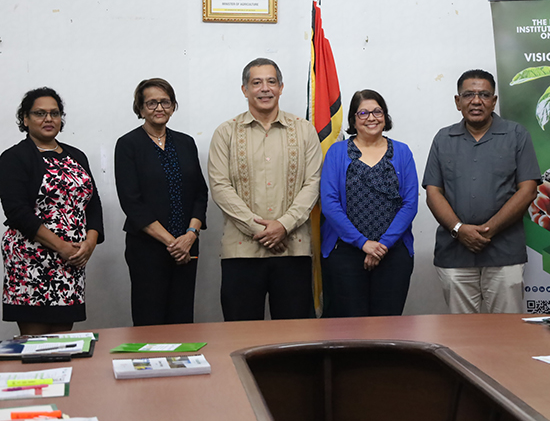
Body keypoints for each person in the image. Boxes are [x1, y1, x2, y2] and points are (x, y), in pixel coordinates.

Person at [208, 58, 322, 321]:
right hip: (241, 252)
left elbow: (313, 182)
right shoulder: (226, 133)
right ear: (244, 89)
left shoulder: (304, 130)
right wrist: (260, 229)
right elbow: (220, 186)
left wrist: (284, 225)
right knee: (241, 335)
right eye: (256, 82)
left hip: (294, 249)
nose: (265, 88)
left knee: (294, 339)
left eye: (271, 81)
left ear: (281, 87)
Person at [423, 69, 540, 314]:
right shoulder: (443, 139)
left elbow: (528, 190)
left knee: (506, 333)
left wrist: (490, 229)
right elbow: (433, 192)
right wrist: (459, 229)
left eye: (484, 94)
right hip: (455, 254)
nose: (476, 101)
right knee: (462, 337)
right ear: (458, 102)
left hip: (505, 253)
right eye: (468, 95)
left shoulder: (516, 135)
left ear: (494, 101)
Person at [0, 88, 104, 335]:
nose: (48, 119)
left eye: (54, 113)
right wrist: (61, 247)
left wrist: (90, 243)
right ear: (25, 119)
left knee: (63, 343)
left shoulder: (76, 156)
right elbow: (17, 212)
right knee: (36, 348)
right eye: (39, 113)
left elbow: (93, 203)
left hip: (71, 262)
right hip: (31, 261)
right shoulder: (13, 158)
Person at [114, 78, 208, 326]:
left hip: (187, 248)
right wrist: (172, 242)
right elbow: (132, 203)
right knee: (150, 321)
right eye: (152, 102)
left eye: (165, 102)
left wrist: (189, 237)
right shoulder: (128, 145)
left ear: (173, 106)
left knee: (182, 319)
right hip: (148, 249)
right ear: (140, 108)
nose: (159, 108)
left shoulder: (186, 143)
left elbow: (200, 193)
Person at [320, 90, 418, 317]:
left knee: (388, 327)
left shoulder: (402, 152)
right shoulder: (337, 152)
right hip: (345, 252)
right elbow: (330, 204)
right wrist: (363, 243)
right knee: (349, 329)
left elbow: (410, 203)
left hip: (392, 252)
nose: (371, 118)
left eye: (377, 111)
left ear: (385, 116)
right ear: (353, 119)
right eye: (363, 112)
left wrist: (381, 245)